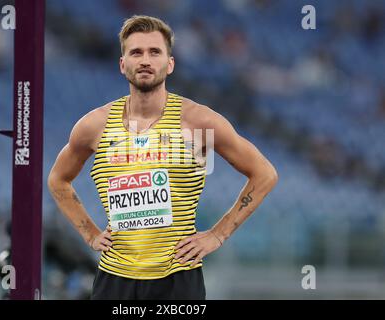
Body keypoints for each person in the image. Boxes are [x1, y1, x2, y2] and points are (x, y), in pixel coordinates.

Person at [48, 15, 278, 300]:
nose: (145, 60)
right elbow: (58, 179)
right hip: (115, 278)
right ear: (123, 65)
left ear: (169, 64)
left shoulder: (198, 121)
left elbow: (264, 173)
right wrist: (90, 234)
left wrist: (218, 234)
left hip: (177, 277)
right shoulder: (94, 126)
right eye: (136, 52)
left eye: (154, 52)